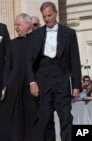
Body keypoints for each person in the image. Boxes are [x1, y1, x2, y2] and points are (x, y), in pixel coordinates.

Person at [27, 2, 82, 141]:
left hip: (62, 79)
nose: (47, 19)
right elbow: (29, 61)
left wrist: (76, 85)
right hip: (42, 80)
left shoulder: (69, 33)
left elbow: (75, 59)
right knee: (45, 120)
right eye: (44, 16)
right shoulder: (35, 35)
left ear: (56, 13)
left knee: (66, 118)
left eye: (49, 15)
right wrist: (32, 81)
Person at [0, 13, 34, 141]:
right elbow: (8, 67)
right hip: (13, 86)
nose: (15, 27)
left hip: (30, 86)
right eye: (15, 25)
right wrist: (5, 86)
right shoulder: (12, 43)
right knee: (7, 115)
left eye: (18, 25)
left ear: (27, 25)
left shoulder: (36, 40)